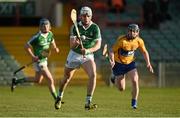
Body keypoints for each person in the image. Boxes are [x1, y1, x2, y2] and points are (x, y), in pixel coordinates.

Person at [55, 6, 102, 110]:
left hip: (87, 55)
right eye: (83, 15)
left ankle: (88, 102)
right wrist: (76, 43)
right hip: (74, 55)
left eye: (87, 16)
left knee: (93, 74)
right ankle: (59, 96)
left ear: (91, 16)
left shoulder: (95, 28)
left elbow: (98, 45)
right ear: (80, 16)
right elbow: (71, 46)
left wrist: (88, 50)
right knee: (66, 78)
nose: (85, 18)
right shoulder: (74, 27)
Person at [11, 18, 59, 101]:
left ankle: (17, 81)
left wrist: (55, 48)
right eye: (43, 25)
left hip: (44, 59)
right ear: (40, 27)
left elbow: (53, 44)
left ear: (50, 27)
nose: (45, 27)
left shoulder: (51, 34)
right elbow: (26, 46)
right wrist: (33, 56)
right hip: (39, 61)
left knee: (37, 80)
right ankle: (57, 99)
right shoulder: (37, 37)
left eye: (46, 25)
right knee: (50, 79)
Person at [109, 24, 154, 109]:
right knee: (121, 88)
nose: (131, 33)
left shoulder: (139, 41)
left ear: (137, 33)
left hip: (130, 63)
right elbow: (111, 51)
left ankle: (134, 103)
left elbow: (144, 52)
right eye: (130, 31)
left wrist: (148, 63)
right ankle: (114, 78)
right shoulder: (122, 40)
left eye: (133, 31)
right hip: (119, 64)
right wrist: (112, 61)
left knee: (135, 80)